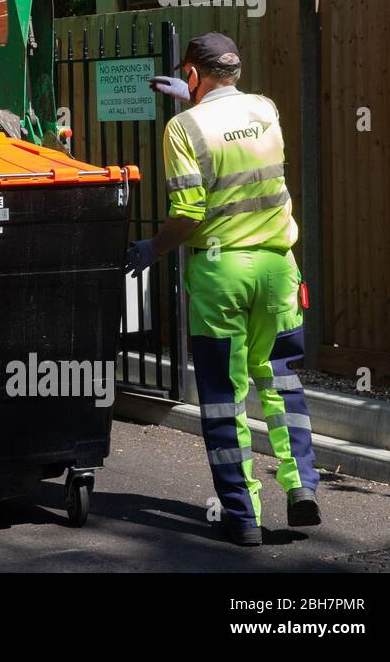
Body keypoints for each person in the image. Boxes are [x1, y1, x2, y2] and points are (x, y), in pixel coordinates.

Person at [127, 32, 320, 547]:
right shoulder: (266, 109)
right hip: (280, 269)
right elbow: (234, 122)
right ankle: (301, 484)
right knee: (280, 383)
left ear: (192, 74)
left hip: (220, 274)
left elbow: (188, 214)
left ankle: (242, 516)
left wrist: (152, 248)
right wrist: (194, 96)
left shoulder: (182, 128)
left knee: (223, 397)